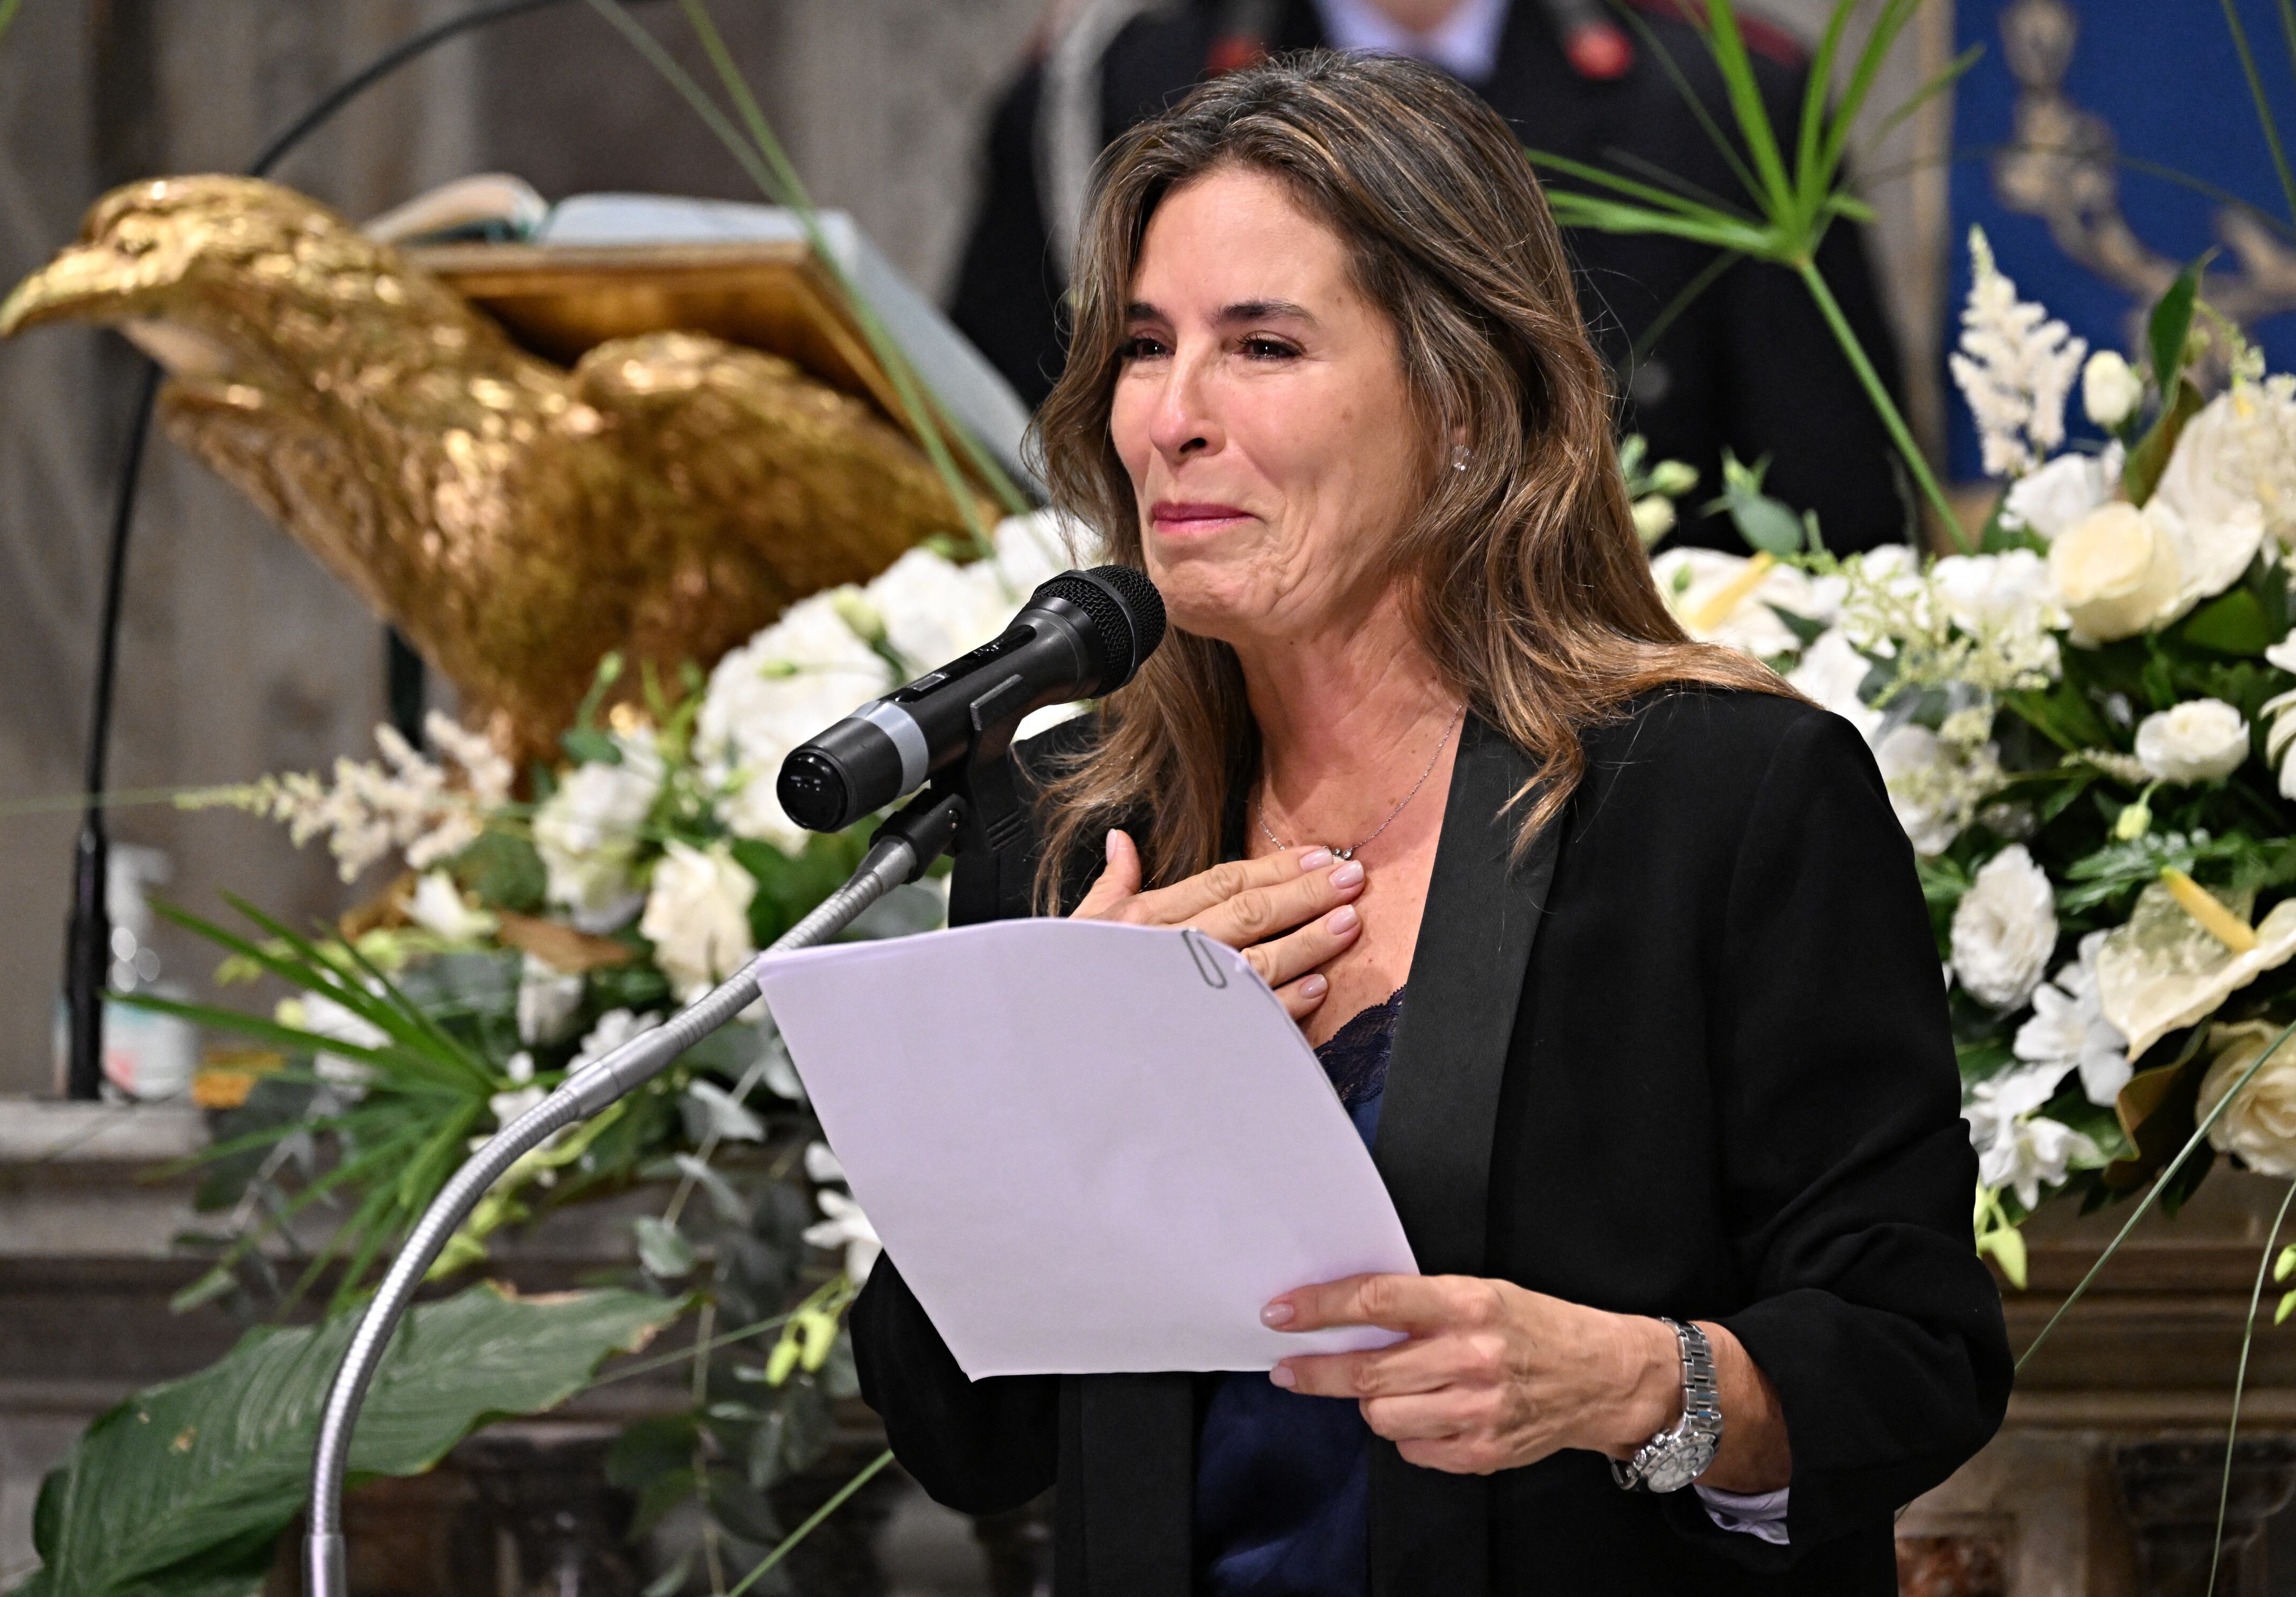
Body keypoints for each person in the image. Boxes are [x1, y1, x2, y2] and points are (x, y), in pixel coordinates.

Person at [856, 52, 2008, 1595]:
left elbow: (1911, 1349)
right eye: (1143, 347)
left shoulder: (1720, 800)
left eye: (1261, 345)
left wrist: (1627, 1385)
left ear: (1464, 401)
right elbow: (959, 1442)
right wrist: (1052, 1096)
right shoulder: (1071, 827)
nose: (1172, 418)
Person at [947, 0, 1911, 555]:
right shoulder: (1101, 92)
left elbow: (1842, 514)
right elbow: (993, 467)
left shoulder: (1719, 96)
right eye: (1150, 347)